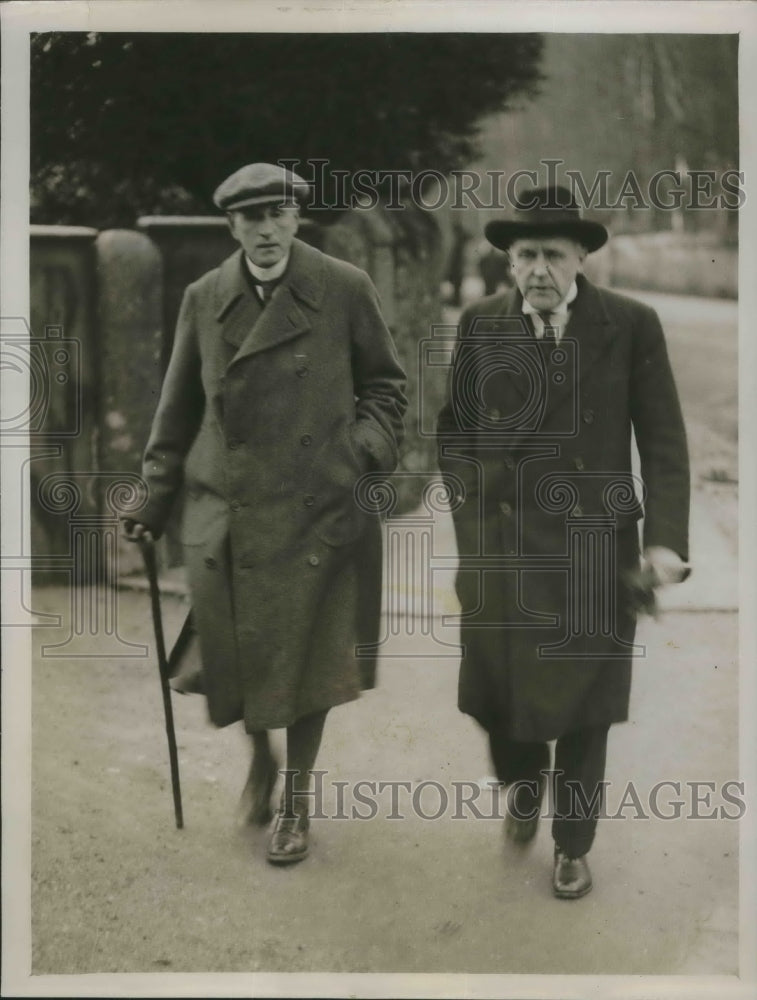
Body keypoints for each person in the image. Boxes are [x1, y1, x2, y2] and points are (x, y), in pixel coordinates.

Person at [124, 163, 407, 865]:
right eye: (250, 218)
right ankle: (260, 755)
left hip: (319, 508)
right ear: (232, 226)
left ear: (294, 216)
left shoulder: (342, 287)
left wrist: (358, 453)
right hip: (230, 508)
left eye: (277, 213)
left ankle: (297, 802)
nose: (266, 229)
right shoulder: (205, 297)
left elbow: (388, 389)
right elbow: (176, 411)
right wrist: (152, 501)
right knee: (236, 652)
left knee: (310, 658)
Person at [436, 185, 690, 898]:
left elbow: (664, 444)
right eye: (524, 255)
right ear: (507, 262)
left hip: (593, 554)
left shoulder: (630, 325)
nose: (538, 269)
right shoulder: (480, 324)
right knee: (496, 700)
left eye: (552, 253)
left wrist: (664, 543)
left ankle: (572, 843)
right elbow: (453, 432)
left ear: (581, 256)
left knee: (586, 709)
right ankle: (522, 784)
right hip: (501, 549)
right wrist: (470, 523)